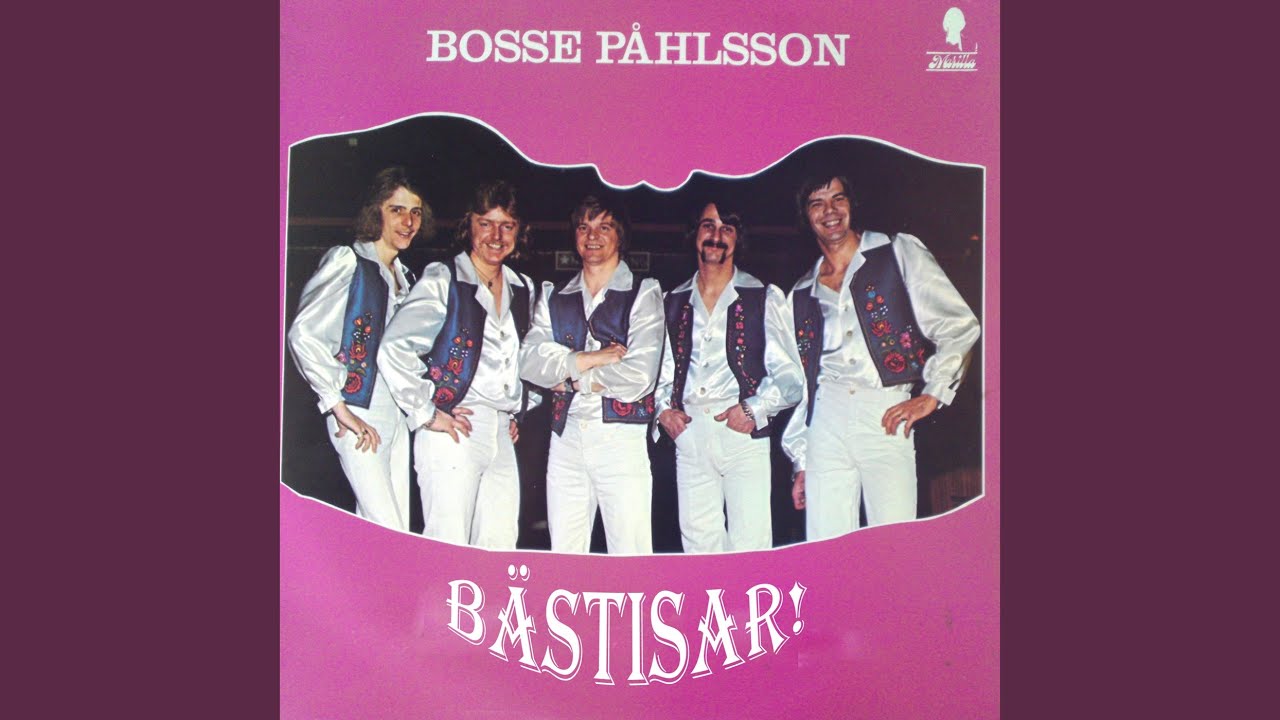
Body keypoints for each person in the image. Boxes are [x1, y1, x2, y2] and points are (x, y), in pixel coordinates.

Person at [783, 175, 980, 540]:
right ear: (805, 216)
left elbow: (958, 325)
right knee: (826, 545)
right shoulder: (800, 291)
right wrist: (802, 460)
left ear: (851, 204)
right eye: (817, 203)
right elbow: (804, 381)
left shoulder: (897, 252)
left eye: (838, 199)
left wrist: (933, 393)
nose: (830, 211)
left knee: (893, 542)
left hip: (886, 413)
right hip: (825, 421)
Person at [376, 181, 537, 549]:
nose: (496, 236)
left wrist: (520, 408)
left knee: (499, 547)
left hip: (501, 432)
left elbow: (527, 361)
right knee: (448, 547)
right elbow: (394, 347)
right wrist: (427, 411)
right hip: (454, 431)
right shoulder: (444, 278)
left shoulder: (524, 288)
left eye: (507, 226)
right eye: (486, 223)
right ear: (469, 225)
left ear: (519, 232)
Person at [287, 167, 431, 531]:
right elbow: (303, 334)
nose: (408, 222)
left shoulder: (407, 277)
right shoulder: (349, 262)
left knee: (389, 529)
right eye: (397, 210)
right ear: (376, 212)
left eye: (415, 212)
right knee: (387, 529)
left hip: (397, 417)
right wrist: (337, 406)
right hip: (357, 413)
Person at [654, 202, 804, 553]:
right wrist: (663, 412)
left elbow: (791, 377)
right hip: (689, 432)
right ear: (695, 234)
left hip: (743, 433)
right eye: (708, 225)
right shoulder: (671, 300)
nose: (716, 236)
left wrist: (754, 409)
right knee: (698, 547)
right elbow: (660, 371)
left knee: (751, 546)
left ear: (738, 238)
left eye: (727, 228)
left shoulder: (763, 296)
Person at [519, 194, 664, 554]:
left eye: (604, 227)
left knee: (630, 555)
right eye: (584, 227)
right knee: (565, 555)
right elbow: (530, 362)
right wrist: (592, 359)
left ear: (620, 236)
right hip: (565, 439)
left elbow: (639, 376)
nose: (592, 236)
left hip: (621, 440)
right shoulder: (554, 296)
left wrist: (571, 378)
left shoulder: (643, 293)